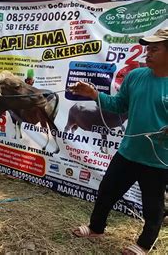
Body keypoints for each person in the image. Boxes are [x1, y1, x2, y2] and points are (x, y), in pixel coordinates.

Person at [69, 28, 168, 254]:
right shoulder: (136, 76)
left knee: (153, 207)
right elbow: (118, 106)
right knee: (106, 191)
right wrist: (94, 95)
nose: (148, 53)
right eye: (147, 49)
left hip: (159, 160)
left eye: (155, 49)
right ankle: (96, 228)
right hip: (128, 151)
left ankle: (144, 244)